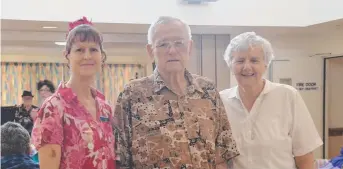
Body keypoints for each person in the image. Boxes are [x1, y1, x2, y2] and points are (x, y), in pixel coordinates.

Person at [113, 16, 239, 169]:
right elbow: (120, 158)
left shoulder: (208, 91)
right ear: (150, 51)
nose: (172, 50)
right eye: (163, 44)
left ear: (190, 47)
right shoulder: (132, 94)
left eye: (179, 43)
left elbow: (222, 155)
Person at [219, 32, 323, 169]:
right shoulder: (220, 101)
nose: (247, 67)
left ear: (266, 65)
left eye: (254, 60)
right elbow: (219, 158)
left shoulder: (288, 96)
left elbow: (304, 156)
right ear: (230, 65)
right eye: (240, 60)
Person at [31, 17, 116, 169]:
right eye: (80, 50)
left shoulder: (105, 107)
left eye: (93, 49)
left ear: (102, 57)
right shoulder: (54, 107)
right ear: (67, 56)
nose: (87, 56)